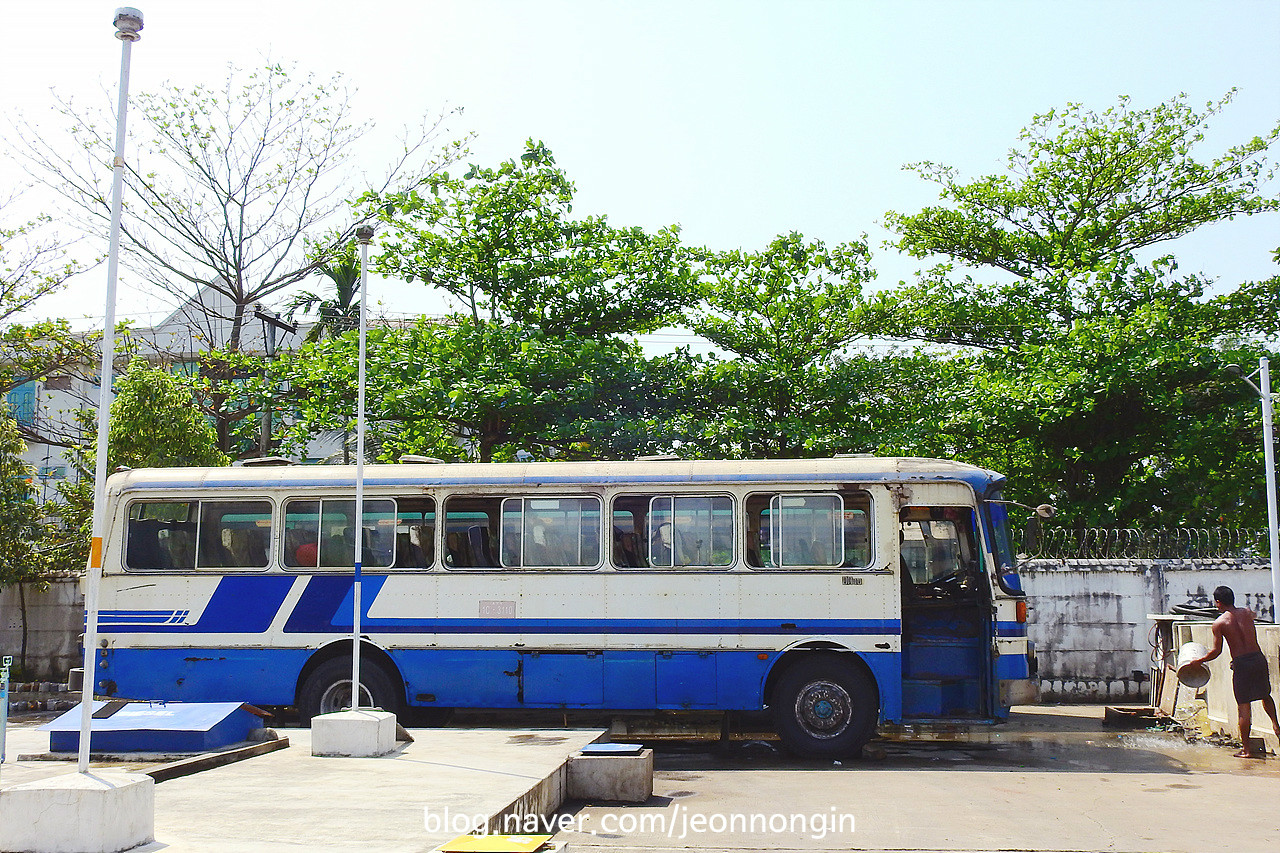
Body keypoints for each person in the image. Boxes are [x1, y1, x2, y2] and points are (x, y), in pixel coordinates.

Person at [1189, 585, 1280, 758]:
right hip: (1258, 659)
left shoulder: (1219, 623)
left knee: (1243, 706)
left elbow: (1216, 651)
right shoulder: (1247, 613)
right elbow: (1251, 617)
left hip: (1242, 664)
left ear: (1218, 602)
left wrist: (1198, 661)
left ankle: (1246, 750)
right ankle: (1276, 726)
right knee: (1265, 695)